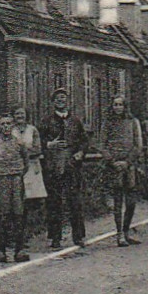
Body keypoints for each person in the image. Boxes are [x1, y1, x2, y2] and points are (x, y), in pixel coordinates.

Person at [42, 89, 89, 250]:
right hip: (54, 166)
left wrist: (80, 153)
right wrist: (49, 145)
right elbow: (38, 141)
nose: (61, 100)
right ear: (53, 102)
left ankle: (78, 236)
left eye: (63, 98)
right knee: (54, 202)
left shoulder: (75, 121)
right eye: (57, 98)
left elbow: (84, 140)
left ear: (68, 101)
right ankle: (55, 237)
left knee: (74, 201)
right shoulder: (47, 121)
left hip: (72, 165)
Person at [0, 115, 29, 262]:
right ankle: (0, 250)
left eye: (9, 124)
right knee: (1, 215)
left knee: (18, 214)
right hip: (0, 180)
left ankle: (19, 250)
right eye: (3, 124)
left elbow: (26, 162)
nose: (6, 126)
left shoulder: (19, 143)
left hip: (15, 179)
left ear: (13, 125)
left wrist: (17, 174)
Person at [102, 95, 146, 246]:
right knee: (118, 201)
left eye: (120, 104)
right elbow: (102, 145)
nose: (118, 107)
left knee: (131, 201)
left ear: (125, 106)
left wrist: (127, 162)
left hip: (129, 165)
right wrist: (112, 161)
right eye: (115, 105)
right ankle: (119, 234)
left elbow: (138, 145)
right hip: (114, 166)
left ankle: (126, 231)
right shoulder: (108, 123)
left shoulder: (133, 122)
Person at [10, 106, 45, 251]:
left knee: (31, 202)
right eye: (17, 114)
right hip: (16, 168)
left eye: (22, 114)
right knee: (16, 201)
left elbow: (37, 148)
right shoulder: (10, 130)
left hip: (31, 168)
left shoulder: (32, 130)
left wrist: (21, 150)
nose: (20, 116)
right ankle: (16, 236)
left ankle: (29, 233)